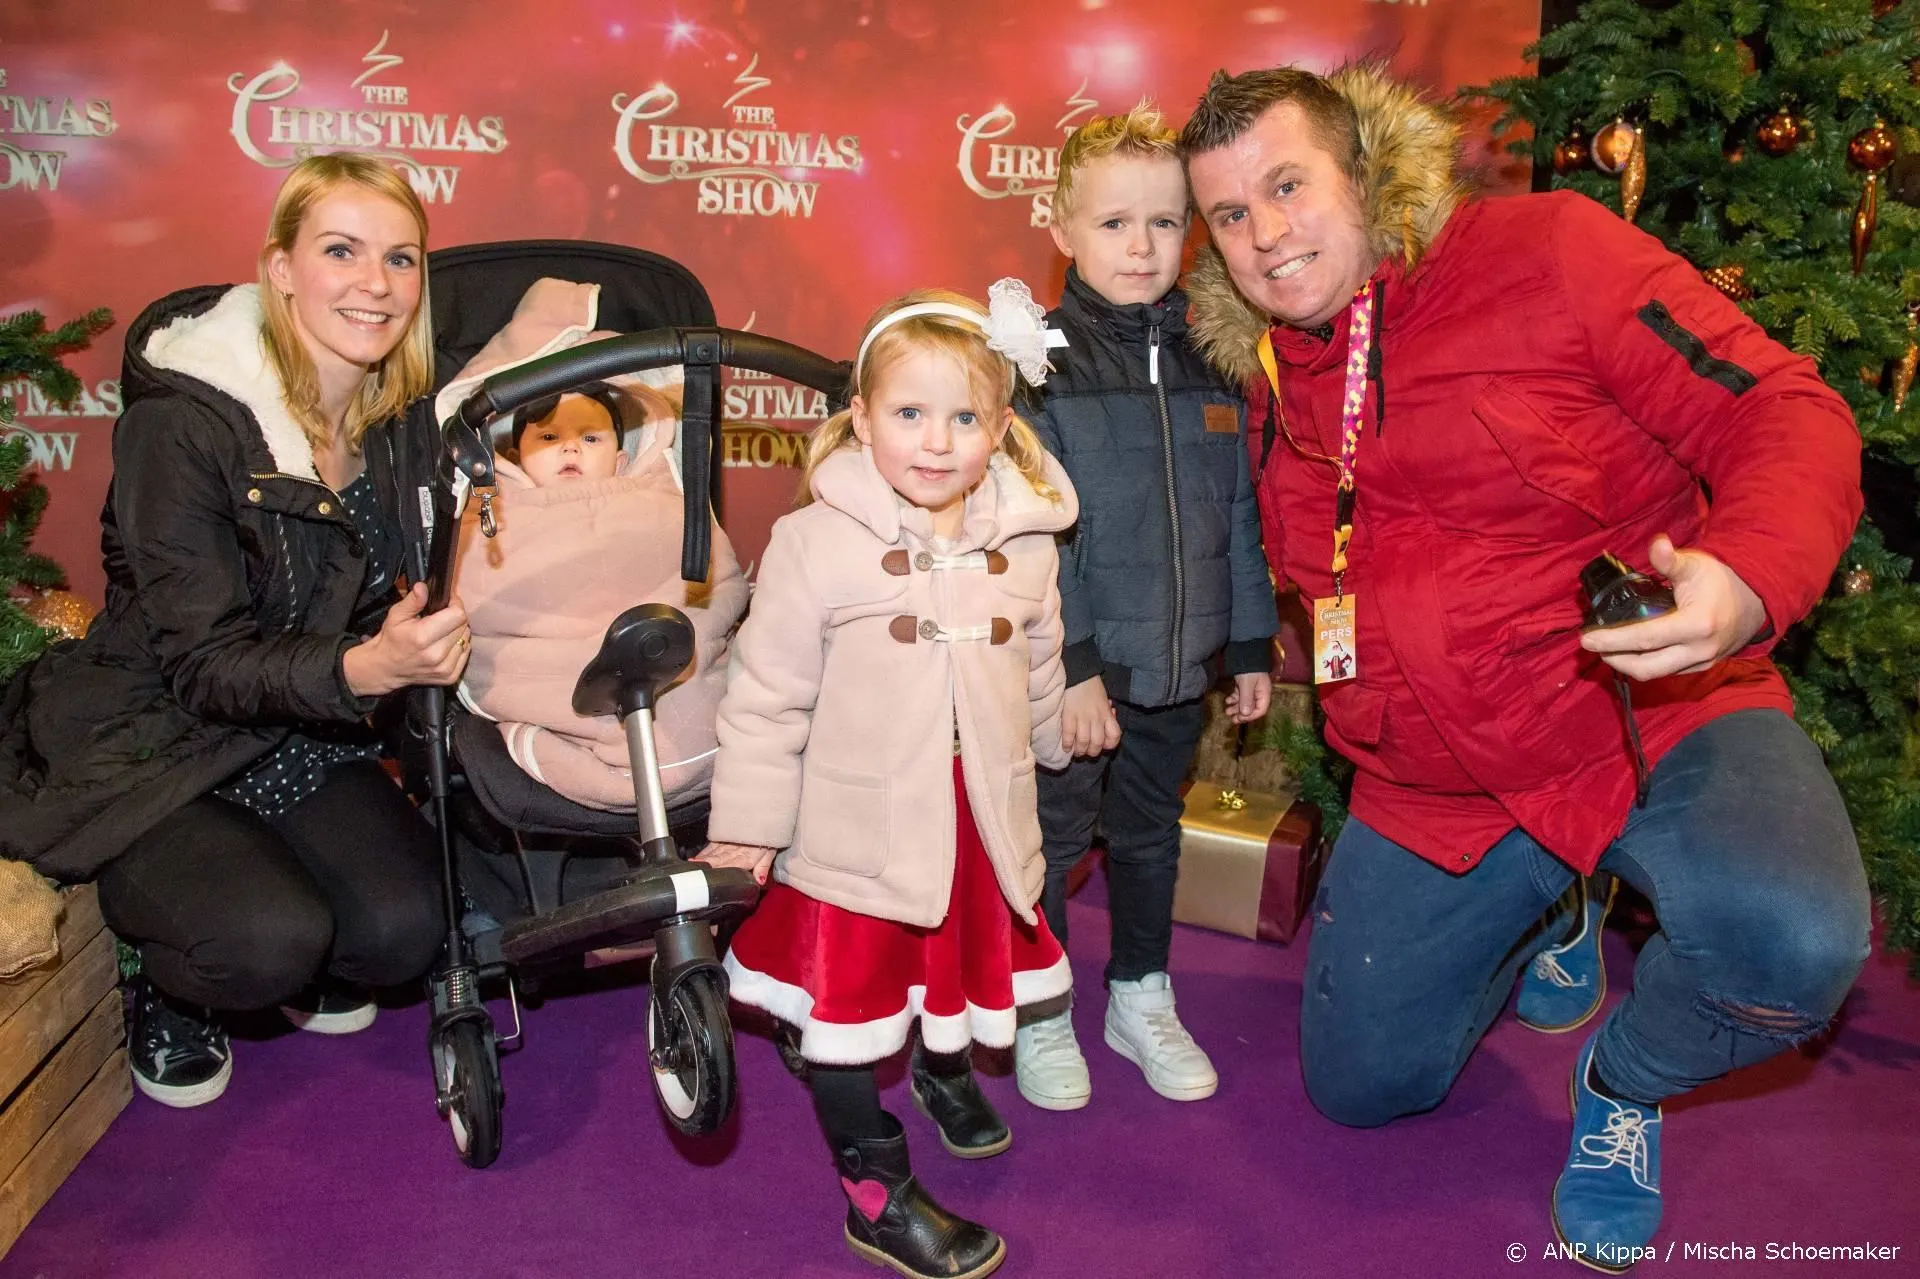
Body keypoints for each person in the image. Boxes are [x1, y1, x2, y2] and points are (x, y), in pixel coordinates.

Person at [1179, 64, 1871, 1270]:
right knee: (1361, 1087)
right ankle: (1558, 899)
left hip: (1645, 709)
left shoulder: (1549, 251)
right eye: (1230, 213)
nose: (1265, 234)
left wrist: (1747, 575)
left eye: (1288, 186)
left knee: (1793, 945)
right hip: (1440, 779)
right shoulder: (1266, 382)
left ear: (1364, 173)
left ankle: (1623, 1081)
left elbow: (1783, 405)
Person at [0, 154, 463, 1109]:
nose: (377, 283)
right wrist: (363, 666)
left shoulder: (397, 419)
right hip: (161, 735)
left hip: (298, 728)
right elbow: (204, 664)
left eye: (401, 258)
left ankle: (299, 921)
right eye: (342, 251)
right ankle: (173, 987)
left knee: (407, 930)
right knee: (261, 941)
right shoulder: (181, 425)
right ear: (282, 267)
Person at [697, 283, 1077, 1279]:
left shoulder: (1026, 543)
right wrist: (747, 830)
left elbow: (1037, 659)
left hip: (974, 816)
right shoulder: (815, 543)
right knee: (847, 1018)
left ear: (1002, 427)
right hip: (857, 836)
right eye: (910, 412)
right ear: (862, 419)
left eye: (964, 417)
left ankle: (944, 1069)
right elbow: (765, 698)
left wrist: (1054, 734)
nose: (936, 441)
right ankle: (876, 1192)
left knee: (948, 967)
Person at [1017, 103, 1278, 1113]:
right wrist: (1075, 666)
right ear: (1062, 229)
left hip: (1177, 670)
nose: (1141, 246)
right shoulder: (1038, 365)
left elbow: (1238, 513)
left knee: (1149, 835)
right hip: (1077, 674)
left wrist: (1247, 641)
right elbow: (1035, 540)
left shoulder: (1219, 360)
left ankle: (1139, 992)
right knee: (1052, 841)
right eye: (1115, 222)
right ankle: (1040, 1006)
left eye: (1165, 223)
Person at [447, 282, 748, 815]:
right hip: (557, 675)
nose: (571, 446)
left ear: (622, 455)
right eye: (548, 437)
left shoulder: (662, 496)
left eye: (591, 438)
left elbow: (716, 585)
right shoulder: (492, 515)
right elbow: (478, 603)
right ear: (511, 455)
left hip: (669, 657)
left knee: (701, 665)